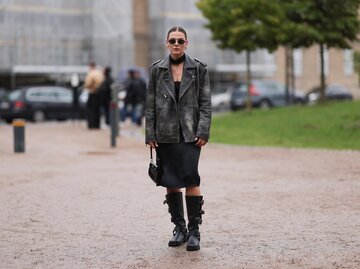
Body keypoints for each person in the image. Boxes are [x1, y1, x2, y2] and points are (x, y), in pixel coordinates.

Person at [145, 26, 211, 251]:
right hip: (165, 134)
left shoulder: (199, 69)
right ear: (166, 43)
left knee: (191, 179)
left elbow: (205, 103)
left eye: (180, 40)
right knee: (171, 181)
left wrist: (203, 130)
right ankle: (179, 228)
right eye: (172, 40)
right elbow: (150, 105)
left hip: (191, 134)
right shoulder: (156, 70)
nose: (176, 44)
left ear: (186, 43)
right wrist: (150, 133)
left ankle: (194, 231)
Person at [84, 62, 104, 129]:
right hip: (99, 94)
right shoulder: (100, 73)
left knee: (91, 110)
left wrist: (87, 86)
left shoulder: (91, 73)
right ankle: (97, 125)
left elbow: (87, 84)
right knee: (97, 111)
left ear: (91, 66)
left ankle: (91, 125)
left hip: (93, 93)